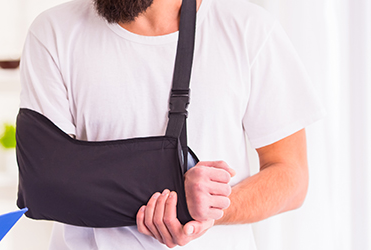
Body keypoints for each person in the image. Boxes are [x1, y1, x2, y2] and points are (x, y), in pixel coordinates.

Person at [18, 0, 324, 249]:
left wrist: (212, 210)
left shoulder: (248, 29)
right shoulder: (54, 32)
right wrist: (178, 196)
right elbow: (45, 187)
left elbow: (290, 175)